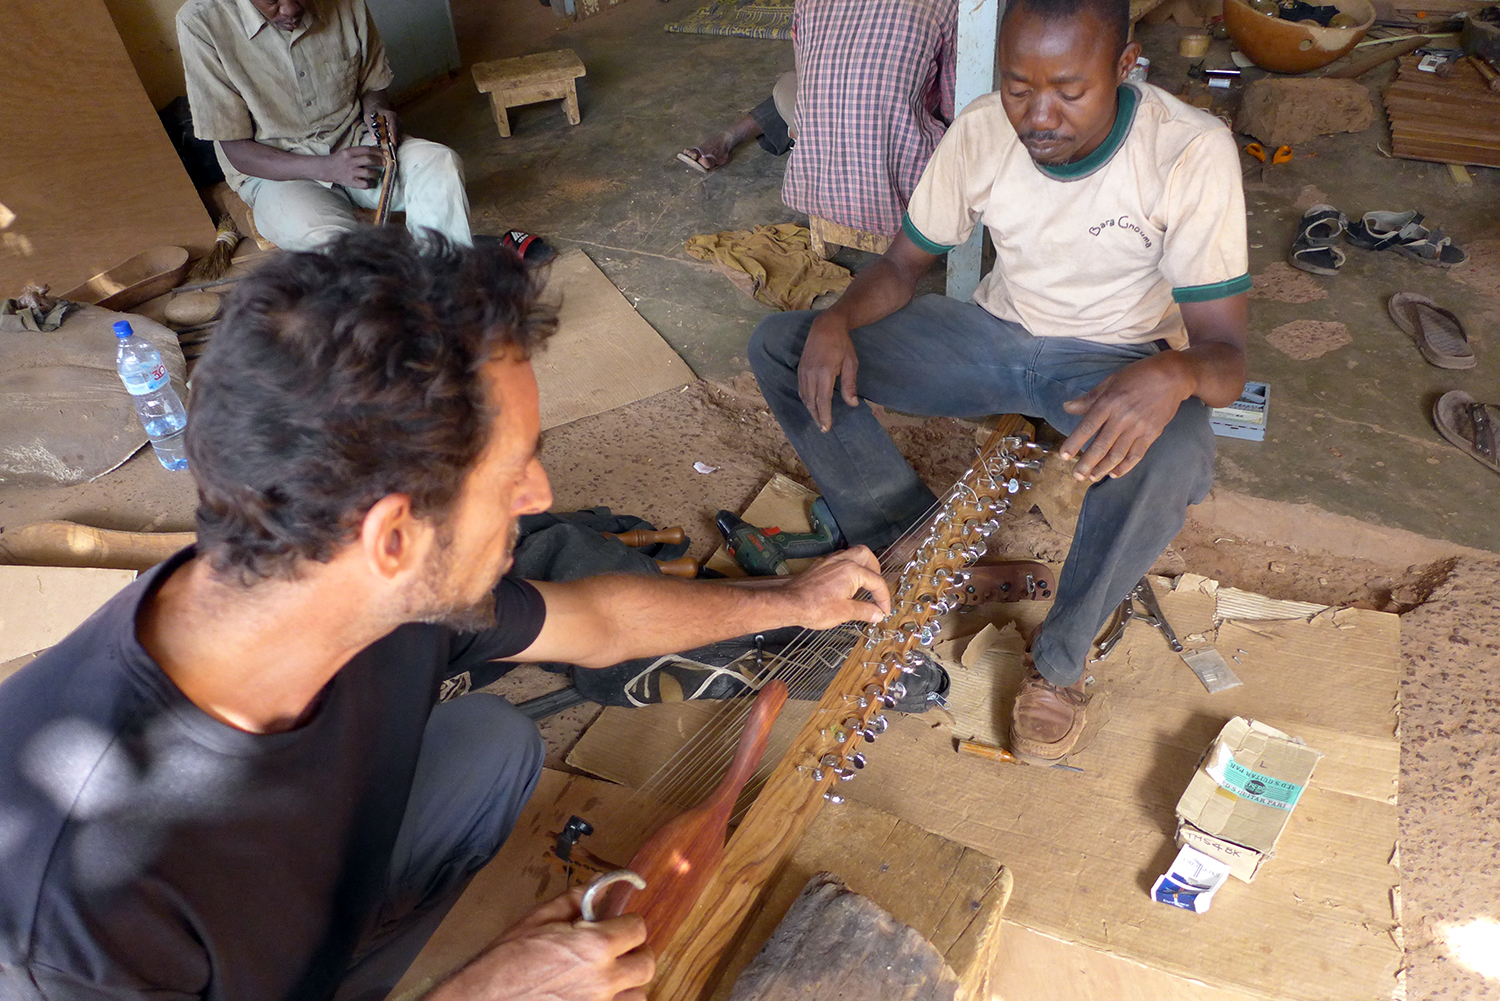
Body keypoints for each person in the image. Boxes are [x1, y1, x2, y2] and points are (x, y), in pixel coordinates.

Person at [0, 228, 891, 1000]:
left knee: (493, 743)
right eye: (515, 474)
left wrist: (790, 599)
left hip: (288, 926)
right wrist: (485, 984)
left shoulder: (331, 576)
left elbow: (596, 621)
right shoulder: (79, 913)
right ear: (392, 537)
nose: (540, 497)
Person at [749, 0, 1250, 764]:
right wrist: (838, 319)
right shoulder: (984, 128)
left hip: (1113, 362)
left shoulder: (1187, 150)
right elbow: (899, 267)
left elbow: (1225, 357)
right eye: (1019, 88)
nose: (1038, 116)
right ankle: (904, 527)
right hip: (992, 336)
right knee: (785, 347)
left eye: (1068, 91)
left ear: (1124, 66)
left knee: (1178, 451)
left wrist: (1172, 373)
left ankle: (1060, 660)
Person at [177, 0, 531, 256]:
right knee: (334, 241)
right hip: (276, 172)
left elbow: (372, 83)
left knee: (440, 164)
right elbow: (238, 152)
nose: (290, 9)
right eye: (272, 1)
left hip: (354, 140)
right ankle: (388, 306)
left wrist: (378, 111)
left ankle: (445, 289)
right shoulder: (201, 23)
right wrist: (327, 168)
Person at [678, 0, 956, 238]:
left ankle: (733, 135)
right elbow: (957, 108)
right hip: (903, 200)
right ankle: (742, 135)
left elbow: (806, 82)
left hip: (813, 191)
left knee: (794, 86)